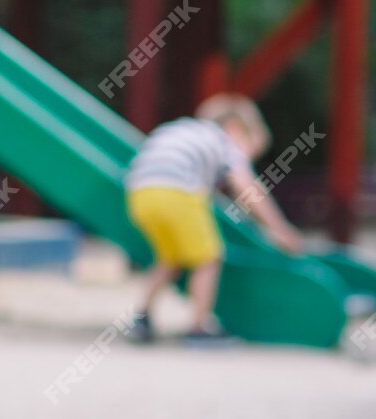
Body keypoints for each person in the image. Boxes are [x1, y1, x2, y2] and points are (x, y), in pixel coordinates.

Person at [123, 93, 304, 345]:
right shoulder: (225, 141)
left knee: (170, 259)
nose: (247, 159)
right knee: (209, 257)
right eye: (250, 151)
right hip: (177, 191)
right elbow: (248, 189)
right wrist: (280, 228)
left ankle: (141, 318)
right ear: (236, 129)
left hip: (140, 194)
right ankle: (198, 328)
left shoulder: (186, 129)